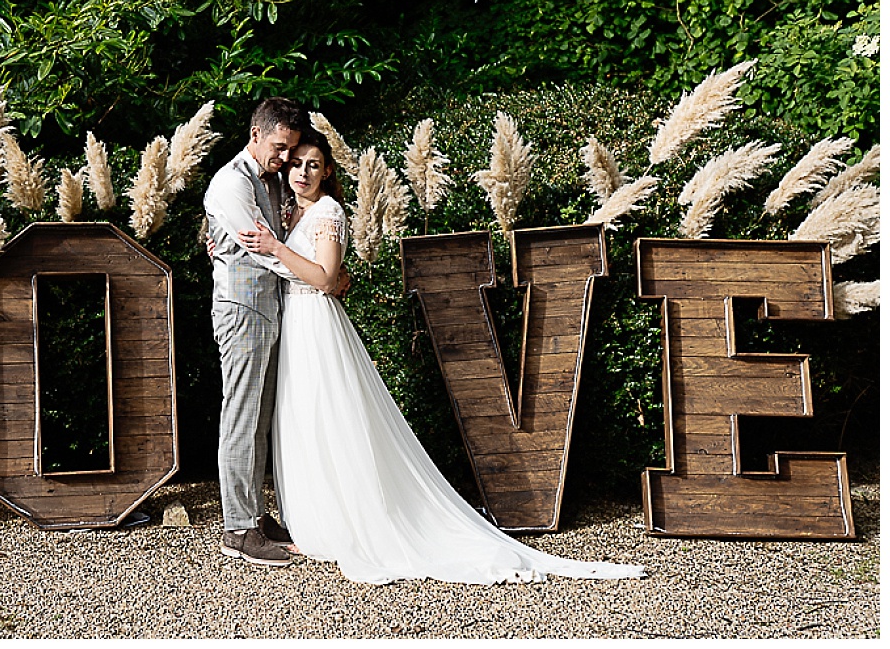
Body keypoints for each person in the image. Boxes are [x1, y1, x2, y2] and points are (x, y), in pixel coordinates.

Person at [237, 129, 647, 585]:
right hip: (294, 323)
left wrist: (276, 249)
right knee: (304, 421)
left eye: (313, 164)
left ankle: (350, 524)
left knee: (331, 418)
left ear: (328, 170)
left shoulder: (329, 211)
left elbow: (325, 277)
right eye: (296, 164)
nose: (302, 172)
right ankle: (319, 522)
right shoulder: (295, 211)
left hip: (315, 323)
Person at [202, 97, 308, 567]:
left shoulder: (272, 181)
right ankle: (237, 529)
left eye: (291, 150)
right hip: (241, 308)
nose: (285, 159)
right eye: (280, 147)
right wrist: (316, 275)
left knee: (261, 417)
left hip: (268, 308)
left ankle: (256, 515)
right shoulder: (230, 182)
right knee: (241, 415)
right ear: (256, 135)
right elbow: (263, 250)